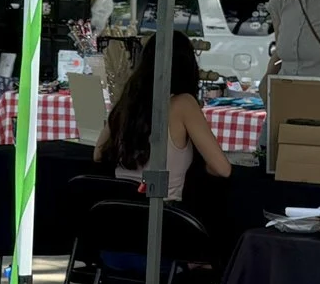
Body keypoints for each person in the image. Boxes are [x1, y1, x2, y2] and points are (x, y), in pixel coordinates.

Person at [96, 30, 234, 187]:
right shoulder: (183, 104)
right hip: (161, 207)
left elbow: (98, 154)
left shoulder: (128, 100)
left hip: (119, 204)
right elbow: (222, 169)